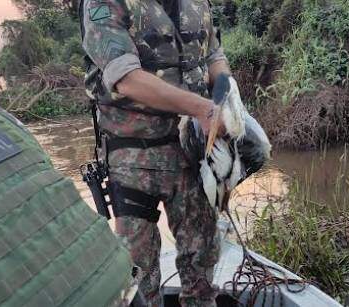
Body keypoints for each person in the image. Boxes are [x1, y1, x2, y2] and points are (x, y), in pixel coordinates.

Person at [80, 0, 233, 306]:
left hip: (192, 153)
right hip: (133, 159)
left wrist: (226, 93)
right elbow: (126, 78)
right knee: (137, 271)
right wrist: (203, 108)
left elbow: (214, 54)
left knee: (204, 253)